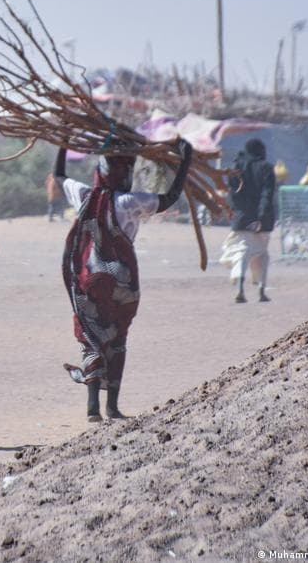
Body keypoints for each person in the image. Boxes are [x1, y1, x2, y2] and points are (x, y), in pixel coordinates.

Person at [54, 140, 193, 422]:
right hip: (124, 280)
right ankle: (112, 407)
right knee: (118, 339)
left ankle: (92, 407)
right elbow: (170, 198)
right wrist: (185, 162)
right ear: (126, 174)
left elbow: (59, 177)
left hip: (90, 278)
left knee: (91, 339)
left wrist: (63, 145)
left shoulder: (85, 195)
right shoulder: (132, 202)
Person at [219, 138, 277, 303]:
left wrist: (236, 212)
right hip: (262, 221)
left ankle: (240, 289)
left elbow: (232, 194)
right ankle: (261, 291)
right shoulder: (266, 168)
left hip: (242, 218)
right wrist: (261, 217)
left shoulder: (236, 167)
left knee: (241, 253)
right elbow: (267, 194)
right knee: (261, 255)